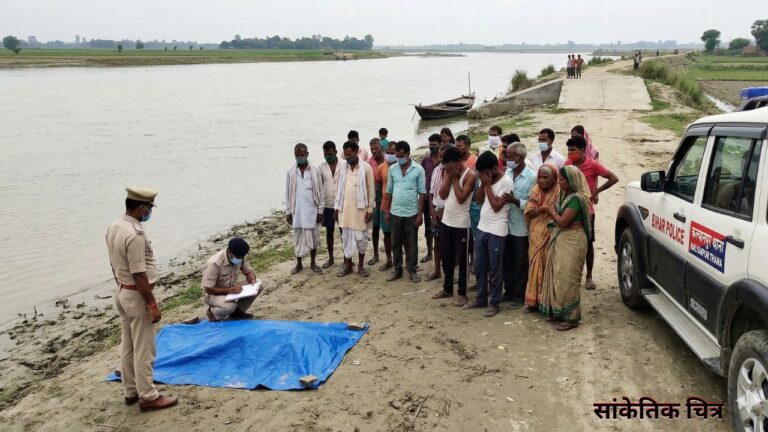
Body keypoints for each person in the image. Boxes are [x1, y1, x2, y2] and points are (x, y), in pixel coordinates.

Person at [106, 187, 178, 411]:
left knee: (128, 345)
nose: (149, 213)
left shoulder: (115, 226)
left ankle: (130, 391)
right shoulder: (134, 235)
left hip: (122, 291)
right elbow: (139, 273)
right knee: (144, 348)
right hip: (136, 296)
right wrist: (152, 303)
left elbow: (113, 263)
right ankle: (148, 395)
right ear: (141, 208)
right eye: (148, 209)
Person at [539, 165, 592, 331]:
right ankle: (558, 310)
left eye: (562, 179)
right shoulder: (565, 195)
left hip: (573, 240)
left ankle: (572, 318)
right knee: (558, 275)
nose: (559, 182)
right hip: (562, 238)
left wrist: (551, 211)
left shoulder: (576, 199)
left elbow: (562, 221)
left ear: (570, 181)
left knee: (568, 278)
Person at [565, 136, 619, 291]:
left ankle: (588, 276)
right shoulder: (568, 164)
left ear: (582, 150)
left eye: (573, 150)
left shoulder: (592, 165)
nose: (570, 153)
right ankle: (573, 274)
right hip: (570, 209)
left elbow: (613, 178)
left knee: (588, 244)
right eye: (568, 150)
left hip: (587, 211)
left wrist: (596, 191)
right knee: (570, 243)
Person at [466, 152, 514, 317]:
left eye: (484, 172)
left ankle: (494, 303)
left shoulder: (506, 182)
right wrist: (482, 184)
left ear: (494, 168)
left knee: (495, 270)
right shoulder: (485, 179)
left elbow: (496, 206)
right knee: (479, 267)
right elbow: (478, 200)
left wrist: (486, 185)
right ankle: (481, 298)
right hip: (482, 227)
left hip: (497, 231)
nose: (482, 175)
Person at [430, 146, 476, 305]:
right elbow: (442, 194)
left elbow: (461, 198)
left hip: (463, 224)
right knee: (446, 257)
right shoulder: (448, 173)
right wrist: (449, 177)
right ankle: (447, 288)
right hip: (447, 222)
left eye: (449, 164)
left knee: (462, 260)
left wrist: (455, 178)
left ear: (458, 162)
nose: (446, 167)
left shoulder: (470, 175)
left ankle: (462, 292)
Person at [501, 143, 537, 309]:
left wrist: (515, 201)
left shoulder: (532, 177)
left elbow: (533, 204)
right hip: (505, 225)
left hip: (521, 228)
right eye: (506, 156)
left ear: (521, 158)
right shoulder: (507, 172)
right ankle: (508, 292)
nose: (507, 159)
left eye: (510, 157)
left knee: (520, 263)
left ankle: (518, 295)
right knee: (506, 261)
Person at [384, 141, 426, 283]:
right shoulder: (393, 169)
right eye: (397, 156)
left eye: (401, 155)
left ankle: (412, 270)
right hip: (395, 211)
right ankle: (397, 269)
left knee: (411, 243)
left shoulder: (418, 169)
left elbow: (422, 193)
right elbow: (389, 191)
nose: (399, 158)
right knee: (395, 242)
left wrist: (420, 214)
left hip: (412, 212)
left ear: (408, 154)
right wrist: (387, 210)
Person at [335, 141, 376, 277]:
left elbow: (371, 190)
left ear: (357, 151)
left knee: (361, 239)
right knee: (346, 238)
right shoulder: (342, 168)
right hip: (345, 210)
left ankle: (361, 266)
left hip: (360, 211)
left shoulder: (366, 168)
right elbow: (338, 191)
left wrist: (370, 210)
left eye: (350, 154)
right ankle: (348, 265)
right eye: (346, 155)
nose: (347, 157)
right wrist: (336, 208)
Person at [523, 164, 561, 312]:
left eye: (546, 177)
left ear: (554, 179)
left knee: (549, 266)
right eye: (539, 177)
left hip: (552, 233)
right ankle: (534, 301)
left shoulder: (560, 191)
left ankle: (549, 301)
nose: (541, 180)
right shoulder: (535, 190)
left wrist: (549, 211)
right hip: (536, 233)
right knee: (535, 264)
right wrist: (543, 209)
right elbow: (529, 212)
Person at [285, 143, 324, 274]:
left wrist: (320, 210)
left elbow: (319, 191)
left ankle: (313, 263)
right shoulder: (290, 171)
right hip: (297, 212)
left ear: (307, 154)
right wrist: (288, 211)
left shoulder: (314, 170)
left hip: (311, 211)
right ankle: (299, 264)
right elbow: (287, 192)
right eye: (297, 155)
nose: (300, 157)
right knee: (297, 239)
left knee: (313, 238)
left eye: (302, 155)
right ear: (294, 155)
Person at [203, 237, 259, 322]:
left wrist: (252, 280)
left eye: (241, 257)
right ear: (229, 252)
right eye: (238, 257)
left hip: (231, 289)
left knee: (259, 284)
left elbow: (248, 272)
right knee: (229, 307)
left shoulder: (240, 257)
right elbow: (208, 289)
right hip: (213, 294)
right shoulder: (214, 263)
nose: (239, 260)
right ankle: (213, 313)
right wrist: (229, 291)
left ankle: (238, 312)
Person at [426, 143, 450, 282]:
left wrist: (443, 210)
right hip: (435, 211)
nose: (441, 159)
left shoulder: (453, 172)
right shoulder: (436, 170)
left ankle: (449, 273)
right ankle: (436, 270)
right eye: (440, 156)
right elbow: (431, 192)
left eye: (443, 157)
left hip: (449, 213)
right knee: (437, 242)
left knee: (449, 245)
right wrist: (432, 209)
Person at [319, 141, 345, 269]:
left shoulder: (343, 164)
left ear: (335, 151)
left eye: (330, 153)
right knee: (329, 231)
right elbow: (320, 185)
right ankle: (331, 258)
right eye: (325, 153)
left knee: (343, 230)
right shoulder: (321, 167)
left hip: (341, 203)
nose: (328, 155)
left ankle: (347, 257)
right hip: (328, 203)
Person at [420, 134, 441, 264]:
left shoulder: (442, 159)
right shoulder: (424, 161)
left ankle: (440, 252)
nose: (432, 147)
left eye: (434, 145)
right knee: (428, 227)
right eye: (430, 145)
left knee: (440, 227)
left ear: (439, 144)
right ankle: (429, 252)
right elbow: (422, 179)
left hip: (440, 199)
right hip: (428, 199)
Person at [377, 140, 397, 271]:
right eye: (388, 153)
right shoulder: (381, 168)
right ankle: (389, 260)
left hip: (399, 206)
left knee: (402, 235)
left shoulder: (402, 167)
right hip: (385, 206)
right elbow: (379, 185)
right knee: (387, 234)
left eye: (392, 153)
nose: (390, 155)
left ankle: (401, 260)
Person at [368, 138, 385, 266]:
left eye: (376, 148)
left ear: (381, 148)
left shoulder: (388, 160)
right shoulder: (369, 163)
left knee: (389, 227)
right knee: (375, 226)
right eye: (372, 149)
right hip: (374, 196)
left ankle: (395, 251)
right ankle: (375, 254)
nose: (374, 151)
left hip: (386, 195)